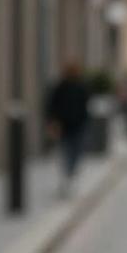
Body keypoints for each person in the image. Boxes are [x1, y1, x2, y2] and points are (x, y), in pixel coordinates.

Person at [45, 59, 90, 200]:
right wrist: (53, 122)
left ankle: (70, 175)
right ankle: (68, 175)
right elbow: (52, 106)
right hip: (65, 126)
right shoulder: (61, 87)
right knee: (67, 152)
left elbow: (85, 106)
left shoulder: (81, 87)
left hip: (77, 125)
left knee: (75, 152)